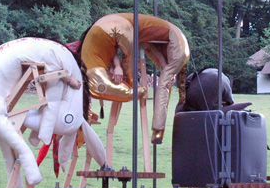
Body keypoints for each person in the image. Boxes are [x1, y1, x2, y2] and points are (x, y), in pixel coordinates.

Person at [80, 13, 190, 144]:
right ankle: (158, 130)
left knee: (164, 83)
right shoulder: (118, 28)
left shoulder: (121, 28)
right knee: (161, 78)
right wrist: (125, 75)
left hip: (176, 42)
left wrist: (132, 83)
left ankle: (158, 130)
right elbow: (125, 57)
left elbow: (129, 58)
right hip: (144, 39)